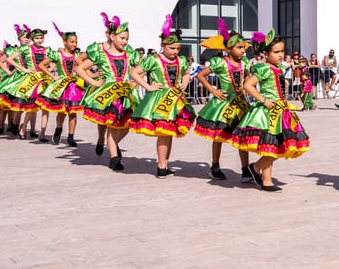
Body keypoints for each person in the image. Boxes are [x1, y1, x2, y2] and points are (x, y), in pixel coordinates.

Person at [230, 29, 310, 192]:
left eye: (282, 51)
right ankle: (265, 178)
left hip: (281, 110)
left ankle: (257, 169)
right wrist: (264, 100)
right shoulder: (264, 68)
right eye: (276, 52)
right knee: (271, 145)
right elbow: (248, 85)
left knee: (275, 145)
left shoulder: (278, 68)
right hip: (268, 113)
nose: (281, 55)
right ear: (266, 53)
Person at [129, 15, 196, 178]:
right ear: (163, 46)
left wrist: (185, 83)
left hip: (175, 100)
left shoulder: (181, 60)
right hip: (159, 101)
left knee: (170, 133)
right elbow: (134, 73)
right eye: (172, 48)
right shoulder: (154, 59)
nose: (175, 51)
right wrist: (148, 86)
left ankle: (165, 163)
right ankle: (161, 165)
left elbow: (187, 73)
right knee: (164, 133)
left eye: (178, 48)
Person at [75, 13, 141, 171]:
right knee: (112, 124)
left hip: (126, 93)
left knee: (127, 124)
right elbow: (79, 68)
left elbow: (141, 67)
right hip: (109, 93)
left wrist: (135, 79)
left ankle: (113, 143)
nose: (125, 42)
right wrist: (94, 81)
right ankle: (114, 158)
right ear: (112, 36)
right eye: (122, 38)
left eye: (127, 39)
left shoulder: (130, 54)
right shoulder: (101, 54)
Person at [193, 18, 254, 181]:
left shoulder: (245, 62)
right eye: (239, 47)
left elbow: (248, 78)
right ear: (229, 49)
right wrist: (213, 90)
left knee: (242, 136)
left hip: (240, 104)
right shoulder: (219, 62)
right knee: (219, 136)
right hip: (223, 104)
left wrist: (248, 87)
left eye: (244, 47)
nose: (243, 51)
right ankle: (215, 165)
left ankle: (245, 169)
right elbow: (200, 75)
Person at [36, 22, 85, 145]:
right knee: (62, 113)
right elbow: (41, 65)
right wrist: (52, 75)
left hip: (74, 87)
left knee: (73, 113)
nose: (74, 44)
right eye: (72, 42)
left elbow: (84, 68)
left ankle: (71, 137)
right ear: (65, 42)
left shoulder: (78, 56)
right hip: (62, 87)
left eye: (76, 42)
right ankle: (58, 129)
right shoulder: (58, 55)